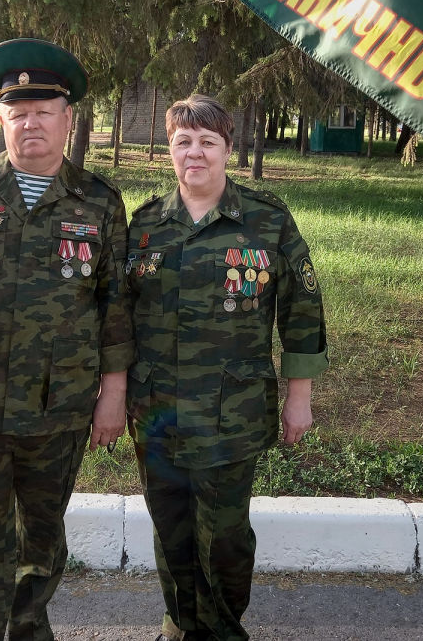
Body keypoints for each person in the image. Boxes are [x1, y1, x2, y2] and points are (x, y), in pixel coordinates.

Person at [0, 37, 133, 641]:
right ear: (1, 118)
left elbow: (114, 303)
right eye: (18, 112)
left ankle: (26, 632)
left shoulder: (99, 201)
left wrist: (113, 391)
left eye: (44, 112)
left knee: (40, 542)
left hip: (59, 405)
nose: (31, 124)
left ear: (68, 119)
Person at [126, 93, 328, 641]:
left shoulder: (266, 220)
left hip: (230, 411)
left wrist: (299, 396)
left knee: (225, 534)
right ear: (170, 149)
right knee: (169, 525)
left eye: (207, 142)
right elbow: (117, 316)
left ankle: (221, 628)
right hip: (156, 410)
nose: (195, 153)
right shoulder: (145, 225)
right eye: (183, 141)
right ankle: (179, 622)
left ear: (227, 149)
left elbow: (303, 308)